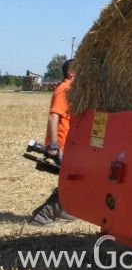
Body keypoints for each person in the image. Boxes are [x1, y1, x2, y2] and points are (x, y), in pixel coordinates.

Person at [29, 59, 76, 226]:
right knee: (74, 179)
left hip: (70, 143)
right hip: (62, 143)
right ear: (71, 72)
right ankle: (43, 216)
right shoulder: (65, 89)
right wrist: (54, 144)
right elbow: (53, 115)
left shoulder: (72, 90)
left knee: (71, 178)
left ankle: (62, 210)